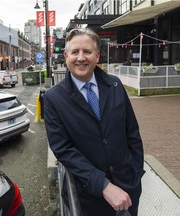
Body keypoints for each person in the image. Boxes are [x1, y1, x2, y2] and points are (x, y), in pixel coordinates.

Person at [44, 28, 145, 216]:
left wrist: (136, 171)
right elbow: (63, 149)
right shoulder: (53, 98)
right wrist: (103, 185)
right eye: (75, 52)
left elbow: (132, 132)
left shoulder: (114, 85)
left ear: (97, 56)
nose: (81, 58)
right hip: (89, 198)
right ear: (66, 56)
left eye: (87, 52)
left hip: (128, 187)